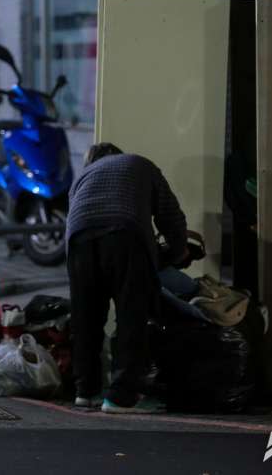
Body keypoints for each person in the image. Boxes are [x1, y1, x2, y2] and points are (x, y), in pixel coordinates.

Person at [67, 142, 191, 414]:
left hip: (78, 241)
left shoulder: (83, 178)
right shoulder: (139, 164)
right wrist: (179, 250)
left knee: (86, 316)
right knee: (131, 315)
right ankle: (120, 397)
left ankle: (85, 392)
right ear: (117, 156)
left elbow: (75, 218)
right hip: (124, 234)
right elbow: (170, 216)